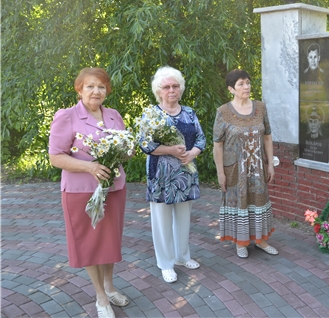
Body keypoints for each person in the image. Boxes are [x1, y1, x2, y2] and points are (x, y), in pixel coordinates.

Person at [49, 67, 130, 318]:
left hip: (114, 189)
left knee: (109, 242)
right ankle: (100, 296)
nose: (96, 91)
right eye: (90, 86)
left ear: (107, 91)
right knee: (89, 244)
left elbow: (125, 149)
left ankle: (110, 286)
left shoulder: (114, 115)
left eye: (101, 86)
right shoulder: (67, 116)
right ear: (80, 89)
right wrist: (90, 167)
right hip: (81, 192)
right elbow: (55, 157)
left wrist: (126, 151)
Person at [139, 66, 206, 284]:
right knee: (162, 221)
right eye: (166, 87)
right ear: (159, 91)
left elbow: (201, 139)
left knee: (184, 219)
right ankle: (166, 264)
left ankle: (182, 256)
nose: (171, 90)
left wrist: (192, 153)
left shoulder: (189, 112)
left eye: (175, 86)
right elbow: (144, 144)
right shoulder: (151, 114)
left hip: (185, 174)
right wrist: (170, 150)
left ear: (180, 89)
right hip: (161, 175)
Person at [213, 69, 278, 259]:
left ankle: (261, 240)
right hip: (234, 169)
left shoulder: (260, 108)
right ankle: (240, 241)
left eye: (248, 82)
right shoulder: (223, 112)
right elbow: (217, 145)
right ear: (231, 89)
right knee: (239, 202)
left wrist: (270, 164)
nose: (246, 87)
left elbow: (267, 137)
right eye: (241, 84)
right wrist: (220, 173)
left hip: (257, 168)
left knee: (259, 200)